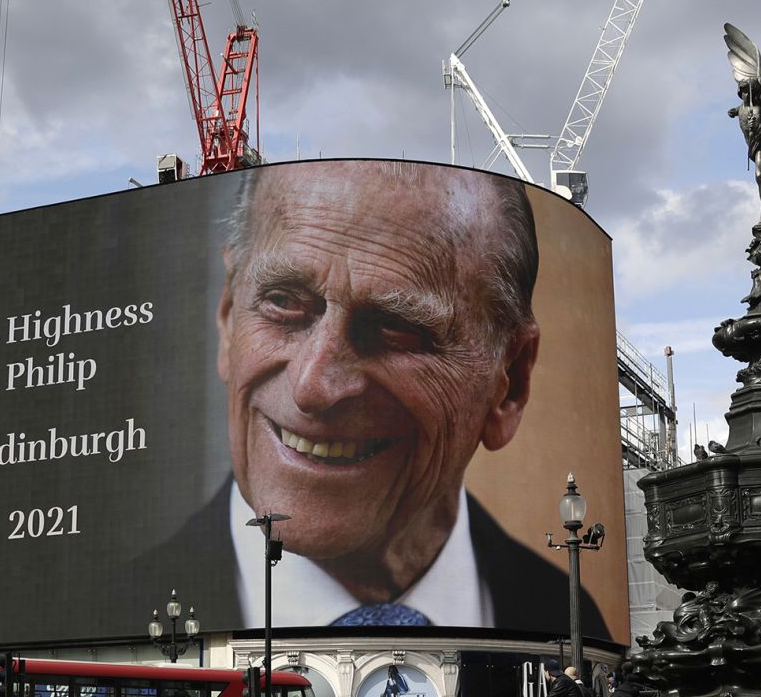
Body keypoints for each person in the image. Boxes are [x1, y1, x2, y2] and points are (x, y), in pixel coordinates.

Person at [146, 161, 604, 634]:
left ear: (510, 381)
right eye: (283, 303)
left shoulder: (572, 619)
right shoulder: (114, 605)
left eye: (395, 329)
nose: (312, 386)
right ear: (227, 317)